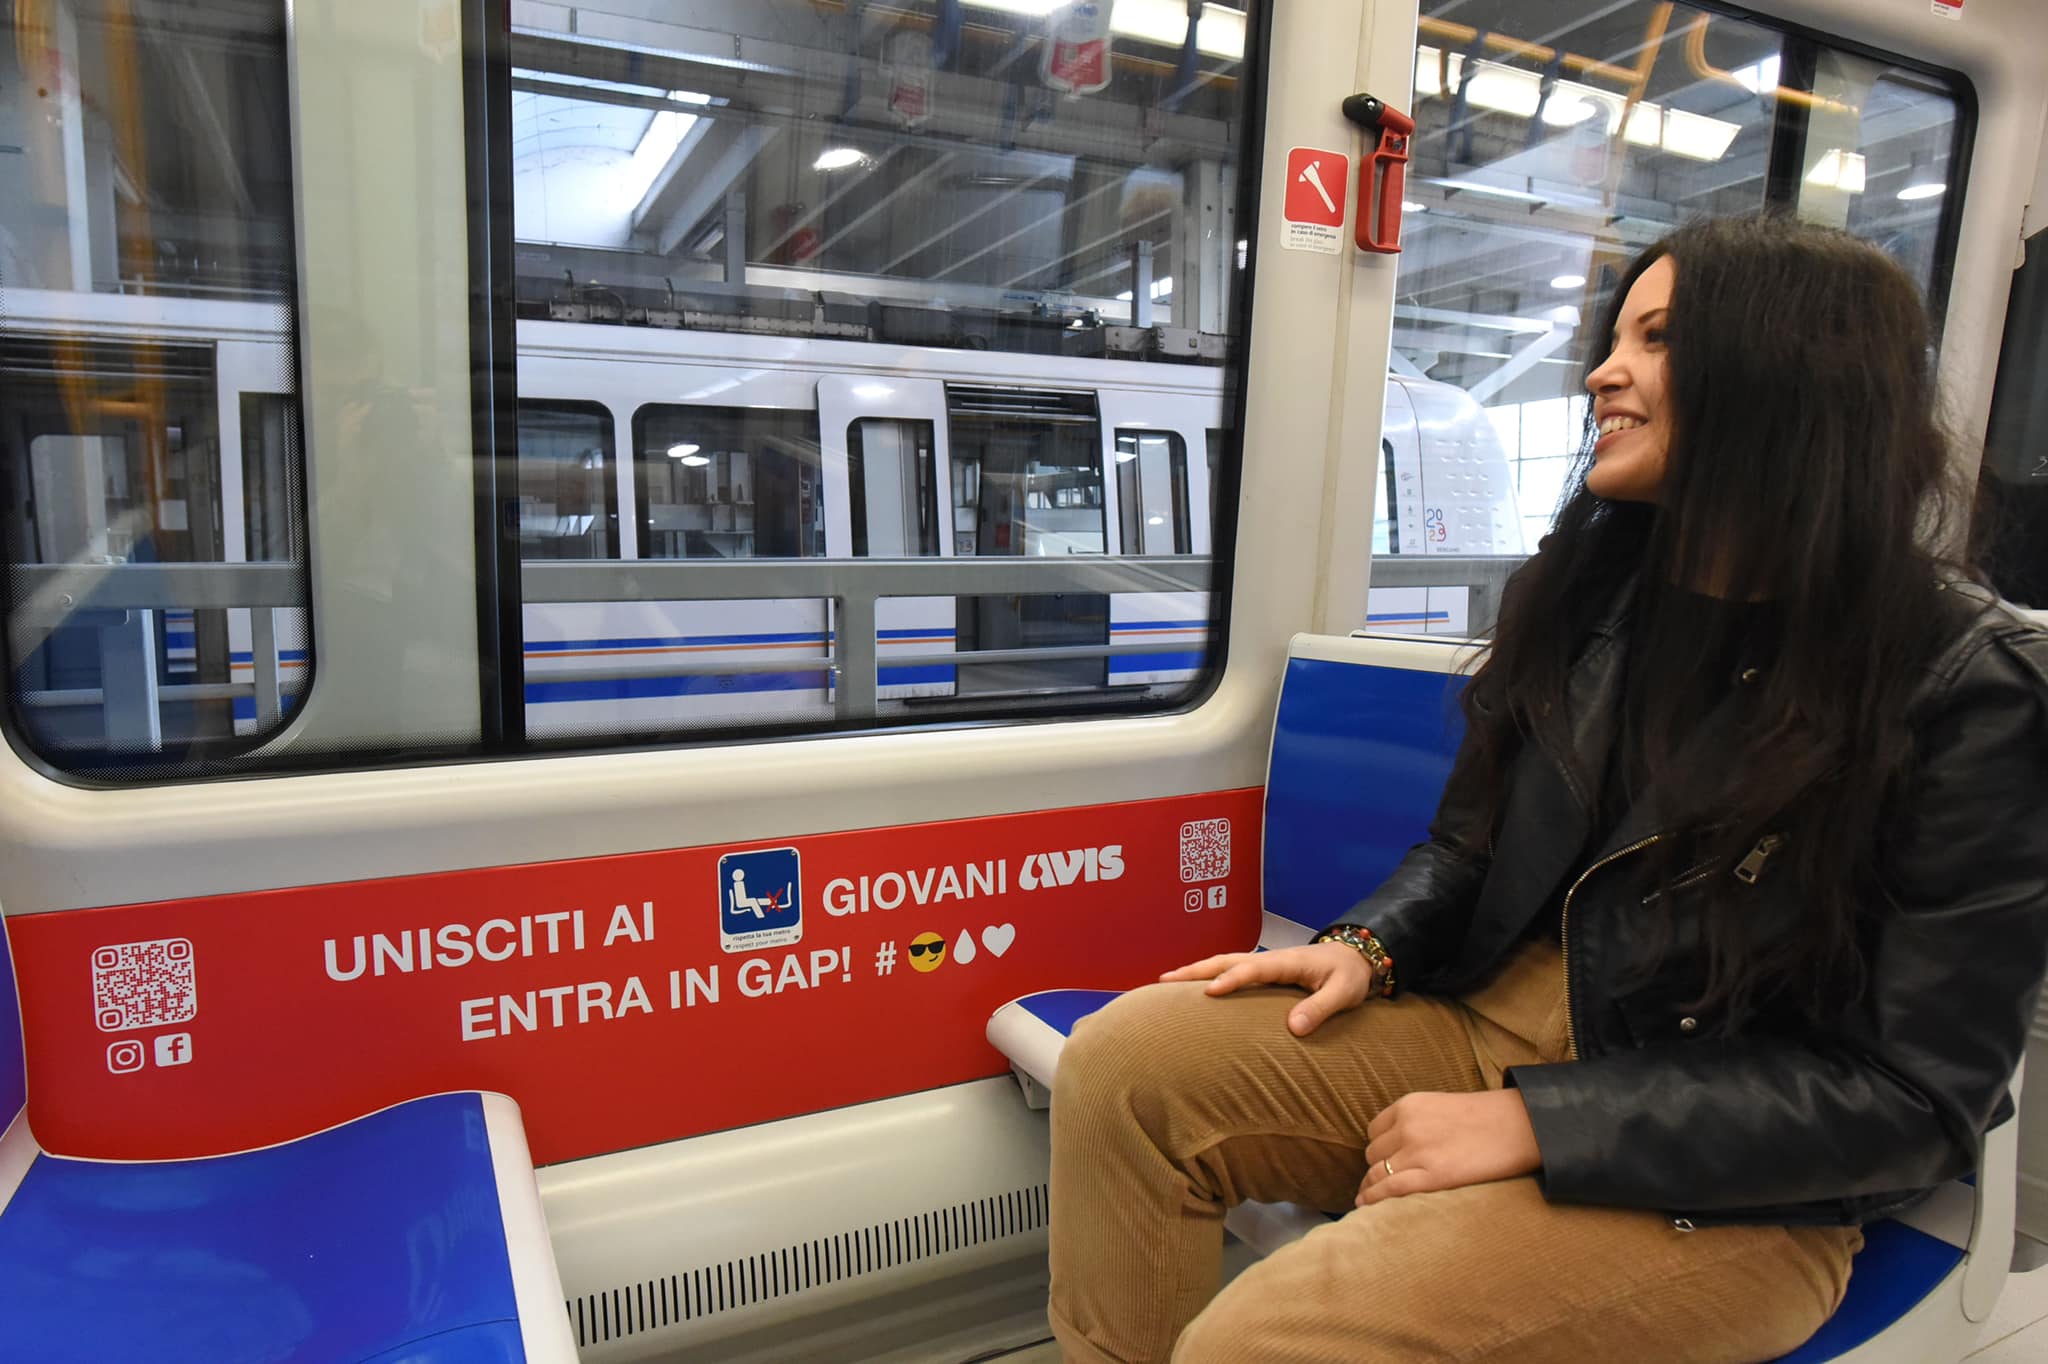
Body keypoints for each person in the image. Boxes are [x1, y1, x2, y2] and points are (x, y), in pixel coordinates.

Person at [1046, 216, 2048, 1364]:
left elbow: (1912, 1099)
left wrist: (1545, 1119)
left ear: (1790, 376)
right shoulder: (1591, 589)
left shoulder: (1964, 681)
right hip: (1495, 1022)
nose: (1600, 373)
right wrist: (1367, 944)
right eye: (1613, 337)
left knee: (1275, 1334)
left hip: (1737, 1170)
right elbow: (1468, 845)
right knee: (1128, 1071)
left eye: (1657, 338)